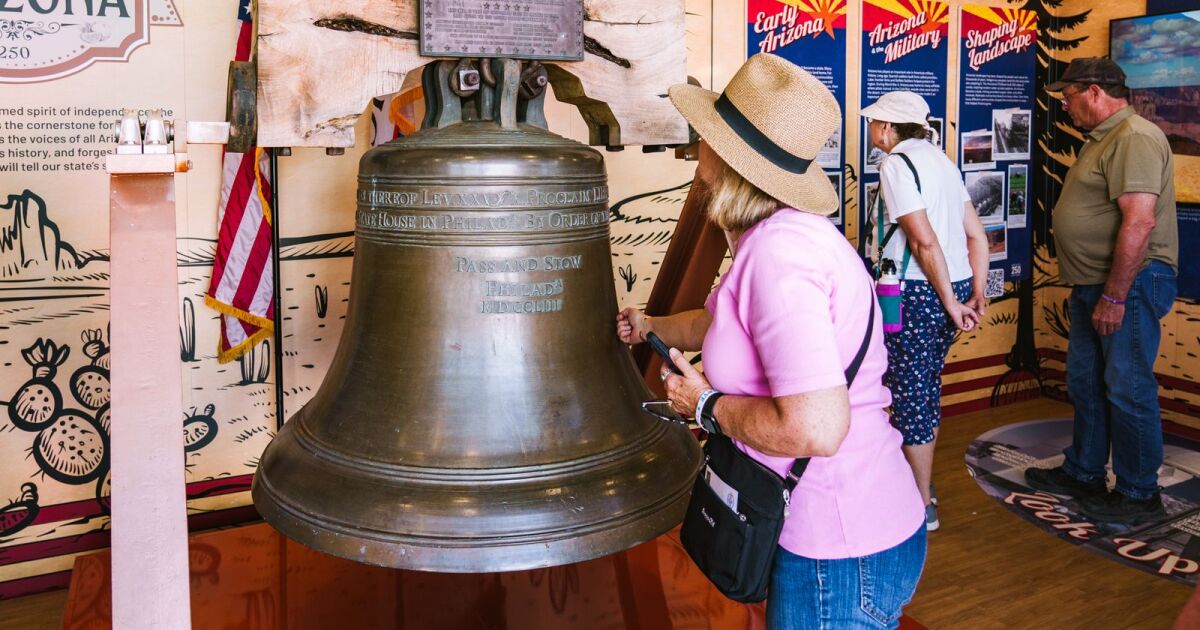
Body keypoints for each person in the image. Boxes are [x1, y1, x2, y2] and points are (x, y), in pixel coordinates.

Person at [617, 53, 925, 628]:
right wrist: (654, 328)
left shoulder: (780, 255)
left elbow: (815, 429)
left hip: (839, 546)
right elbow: (720, 327)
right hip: (840, 537)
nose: (696, 150)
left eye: (706, 138)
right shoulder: (776, 238)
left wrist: (704, 405)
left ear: (727, 160)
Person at [1024, 57, 1178, 524]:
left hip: (1127, 286)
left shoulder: (1134, 138)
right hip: (1097, 283)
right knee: (1086, 381)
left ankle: (1137, 494)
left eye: (1068, 98)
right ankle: (1085, 471)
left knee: (1127, 388)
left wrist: (1114, 295)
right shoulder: (1106, 139)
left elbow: (1140, 221)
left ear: (1093, 91)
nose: (1065, 107)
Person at [860, 91, 990, 531]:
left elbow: (923, 241)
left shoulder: (896, 165)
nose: (871, 129)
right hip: (945, 287)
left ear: (889, 128)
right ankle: (913, 487)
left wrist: (952, 303)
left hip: (915, 293)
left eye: (875, 121)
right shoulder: (941, 161)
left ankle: (919, 504)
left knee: (911, 395)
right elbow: (977, 237)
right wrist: (975, 293)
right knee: (922, 387)